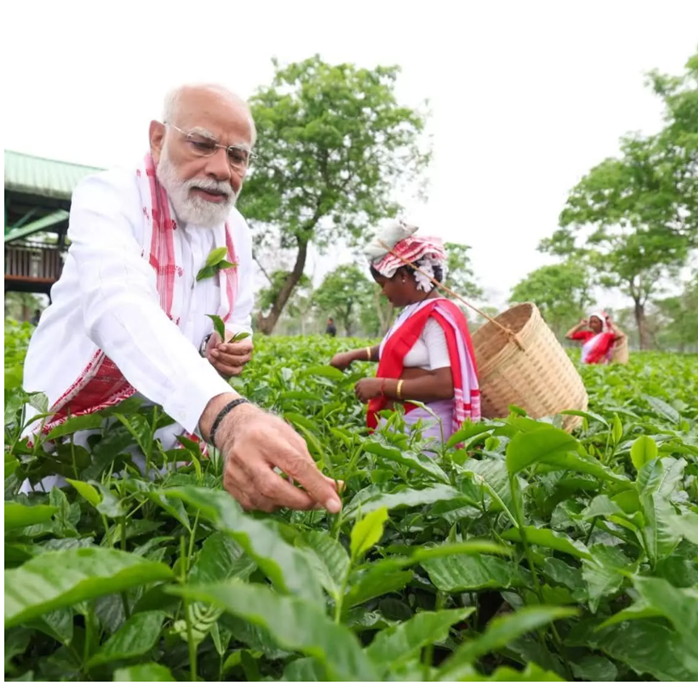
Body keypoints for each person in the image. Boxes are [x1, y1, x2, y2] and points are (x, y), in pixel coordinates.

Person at [19, 84, 342, 514]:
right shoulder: (110, 197)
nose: (221, 169)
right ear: (158, 138)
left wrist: (233, 344)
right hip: (74, 442)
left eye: (238, 156)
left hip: (171, 445)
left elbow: (237, 314)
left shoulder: (235, 230)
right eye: (202, 144)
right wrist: (229, 417)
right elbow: (118, 302)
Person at [329, 220, 480, 444]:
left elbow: (445, 385)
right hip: (407, 428)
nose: (383, 292)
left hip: (426, 435)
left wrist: (381, 386)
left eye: (383, 284)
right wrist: (353, 355)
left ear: (402, 275)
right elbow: (397, 349)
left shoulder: (435, 317)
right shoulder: (414, 311)